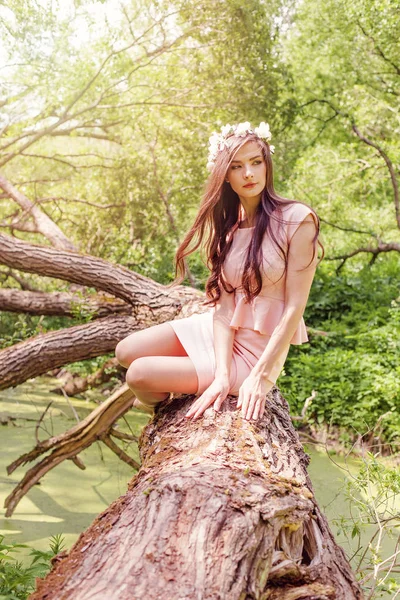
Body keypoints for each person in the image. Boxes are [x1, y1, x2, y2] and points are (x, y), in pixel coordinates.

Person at [115, 121, 323, 421]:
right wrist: (221, 375)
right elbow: (224, 311)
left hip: (254, 354)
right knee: (126, 351)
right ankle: (177, 390)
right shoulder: (230, 229)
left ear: (267, 165)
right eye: (237, 166)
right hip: (221, 336)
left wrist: (259, 376)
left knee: (138, 374)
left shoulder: (297, 220)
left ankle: (166, 400)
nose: (248, 173)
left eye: (255, 162)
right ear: (225, 175)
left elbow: (295, 307)